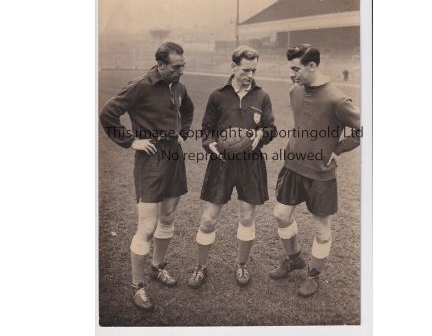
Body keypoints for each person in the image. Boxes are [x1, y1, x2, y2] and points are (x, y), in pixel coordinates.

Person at [99, 42, 194, 310]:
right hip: (150, 158)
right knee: (147, 226)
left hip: (174, 155)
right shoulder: (140, 85)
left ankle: (157, 266)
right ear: (161, 65)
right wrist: (131, 142)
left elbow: (188, 110)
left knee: (168, 217)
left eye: (182, 66)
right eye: (176, 67)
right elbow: (108, 113)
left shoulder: (179, 86)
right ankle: (137, 286)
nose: (181, 71)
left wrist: (183, 134)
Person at [269, 44, 360, 297]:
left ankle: (314, 274)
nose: (292, 74)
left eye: (296, 68)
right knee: (281, 215)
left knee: (321, 229)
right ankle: (294, 259)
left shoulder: (337, 99)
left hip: (320, 174)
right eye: (291, 68)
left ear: (312, 66)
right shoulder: (294, 91)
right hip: (293, 167)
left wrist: (339, 149)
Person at [188, 45, 276, 288]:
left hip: (251, 164)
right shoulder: (218, 96)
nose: (250, 75)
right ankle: (200, 267)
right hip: (222, 164)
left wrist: (261, 136)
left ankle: (241, 265)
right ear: (233, 66)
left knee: (247, 217)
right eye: (246, 69)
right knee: (209, 219)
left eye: (254, 70)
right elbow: (206, 130)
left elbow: (270, 128)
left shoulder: (262, 96)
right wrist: (210, 145)